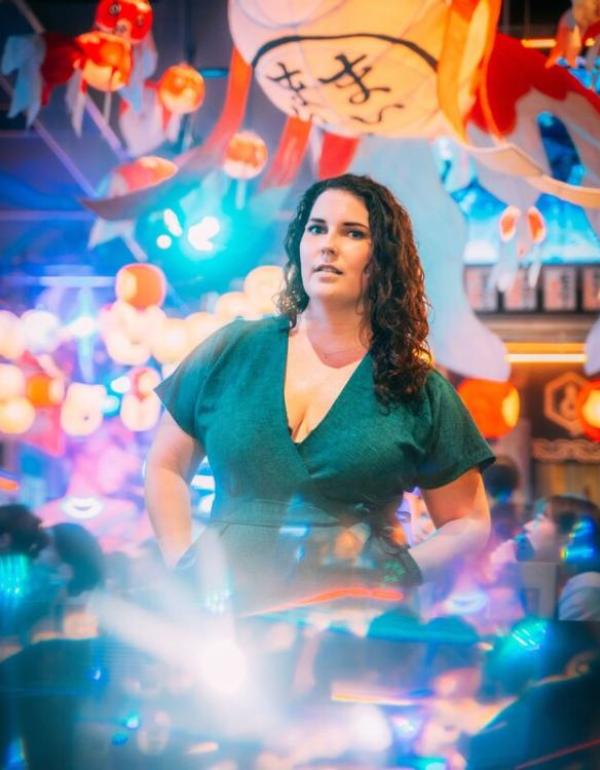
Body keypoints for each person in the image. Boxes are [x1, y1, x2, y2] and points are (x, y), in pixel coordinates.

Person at [145, 174, 494, 615]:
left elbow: (469, 520)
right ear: (300, 245)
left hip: (347, 629)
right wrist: (182, 560)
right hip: (224, 622)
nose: (329, 244)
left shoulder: (416, 388)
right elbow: (165, 465)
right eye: (317, 228)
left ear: (383, 257)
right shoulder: (231, 350)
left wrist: (392, 573)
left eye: (353, 233)